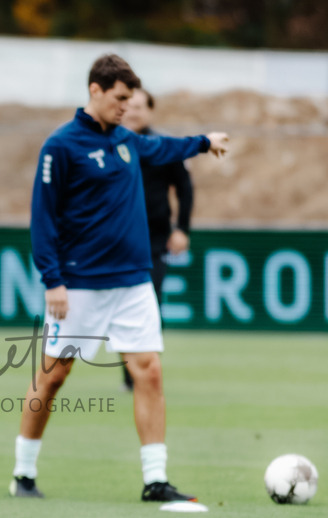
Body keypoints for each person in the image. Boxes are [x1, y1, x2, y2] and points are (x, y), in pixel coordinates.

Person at [10, 54, 228, 502]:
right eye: (121, 98)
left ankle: (155, 480)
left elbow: (164, 149)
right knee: (52, 377)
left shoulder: (127, 140)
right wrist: (53, 280)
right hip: (79, 286)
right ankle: (23, 473)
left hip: (132, 282)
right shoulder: (61, 145)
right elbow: (43, 218)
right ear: (96, 90)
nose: (126, 106)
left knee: (149, 373)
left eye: (130, 99)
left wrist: (204, 142)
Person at [118, 88, 194, 392]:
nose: (134, 112)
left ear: (150, 111)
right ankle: (128, 372)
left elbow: (186, 189)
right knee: (118, 309)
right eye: (129, 106)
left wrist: (183, 229)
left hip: (154, 242)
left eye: (140, 106)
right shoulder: (106, 147)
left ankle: (143, 371)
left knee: (149, 307)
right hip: (113, 243)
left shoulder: (163, 147)